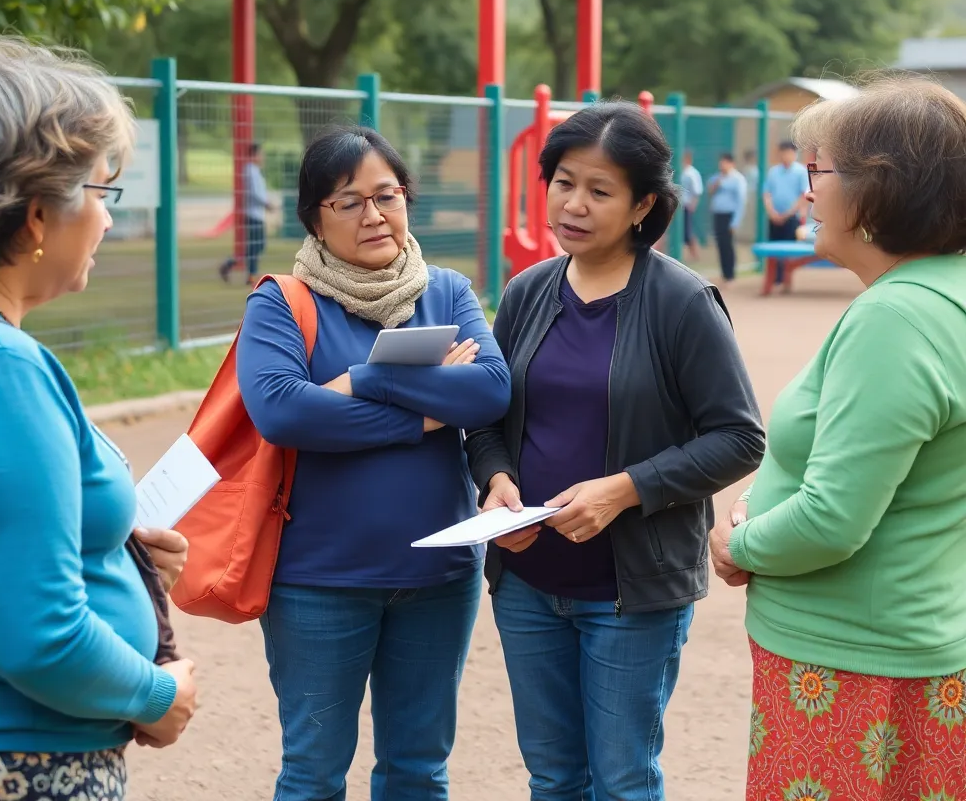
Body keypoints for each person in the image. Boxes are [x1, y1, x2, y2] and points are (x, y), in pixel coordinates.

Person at [465, 102, 765, 801]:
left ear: (643, 206)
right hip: (529, 583)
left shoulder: (682, 302)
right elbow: (485, 419)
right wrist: (496, 478)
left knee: (624, 779)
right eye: (564, 181)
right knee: (553, 776)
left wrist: (623, 488)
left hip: (633, 592)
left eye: (600, 191)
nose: (574, 204)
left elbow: (739, 435)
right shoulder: (526, 293)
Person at [0, 38, 197, 800]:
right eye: (100, 193)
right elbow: (38, 634)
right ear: (35, 216)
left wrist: (112, 552)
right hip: (11, 764)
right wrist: (159, 695)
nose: (108, 220)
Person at [235, 126, 511, 801]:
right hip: (318, 580)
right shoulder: (281, 302)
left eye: (387, 195)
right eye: (348, 201)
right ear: (314, 219)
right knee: (313, 773)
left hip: (437, 574)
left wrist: (366, 379)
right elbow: (283, 412)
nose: (374, 215)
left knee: (418, 769)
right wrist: (425, 409)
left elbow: (489, 389)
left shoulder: (445, 291)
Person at [710, 77, 966, 801]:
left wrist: (740, 543)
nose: (808, 190)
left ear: (877, 192)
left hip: (849, 658)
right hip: (913, 638)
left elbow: (832, 518)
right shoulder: (947, 294)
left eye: (818, 169)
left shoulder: (898, 320)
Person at [219, 141, 275, 287]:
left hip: (255, 214)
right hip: (253, 215)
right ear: (254, 155)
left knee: (254, 247)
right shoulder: (251, 171)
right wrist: (267, 204)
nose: (263, 157)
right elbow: (255, 193)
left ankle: (235, 267)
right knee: (255, 246)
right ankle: (247, 274)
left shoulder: (253, 170)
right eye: (261, 154)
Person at [762, 140, 809, 289]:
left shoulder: (801, 171)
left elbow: (803, 195)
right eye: (783, 152)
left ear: (794, 154)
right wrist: (772, 212)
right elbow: (767, 193)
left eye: (789, 152)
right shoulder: (773, 171)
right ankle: (773, 279)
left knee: (788, 250)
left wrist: (788, 213)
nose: (786, 156)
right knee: (773, 249)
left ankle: (786, 280)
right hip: (774, 217)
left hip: (791, 218)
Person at [707, 152, 747, 284]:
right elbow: (710, 192)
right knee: (720, 244)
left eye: (724, 162)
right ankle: (724, 274)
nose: (722, 165)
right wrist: (716, 185)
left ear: (731, 163)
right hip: (718, 215)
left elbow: (741, 201)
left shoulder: (738, 179)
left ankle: (730, 275)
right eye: (721, 162)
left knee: (728, 245)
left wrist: (735, 222)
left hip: (729, 216)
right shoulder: (717, 178)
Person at [680, 149, 703, 263]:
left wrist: (693, 205)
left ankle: (695, 256)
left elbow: (697, 191)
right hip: (678, 207)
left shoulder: (692, 173)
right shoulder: (680, 171)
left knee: (688, 233)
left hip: (687, 206)